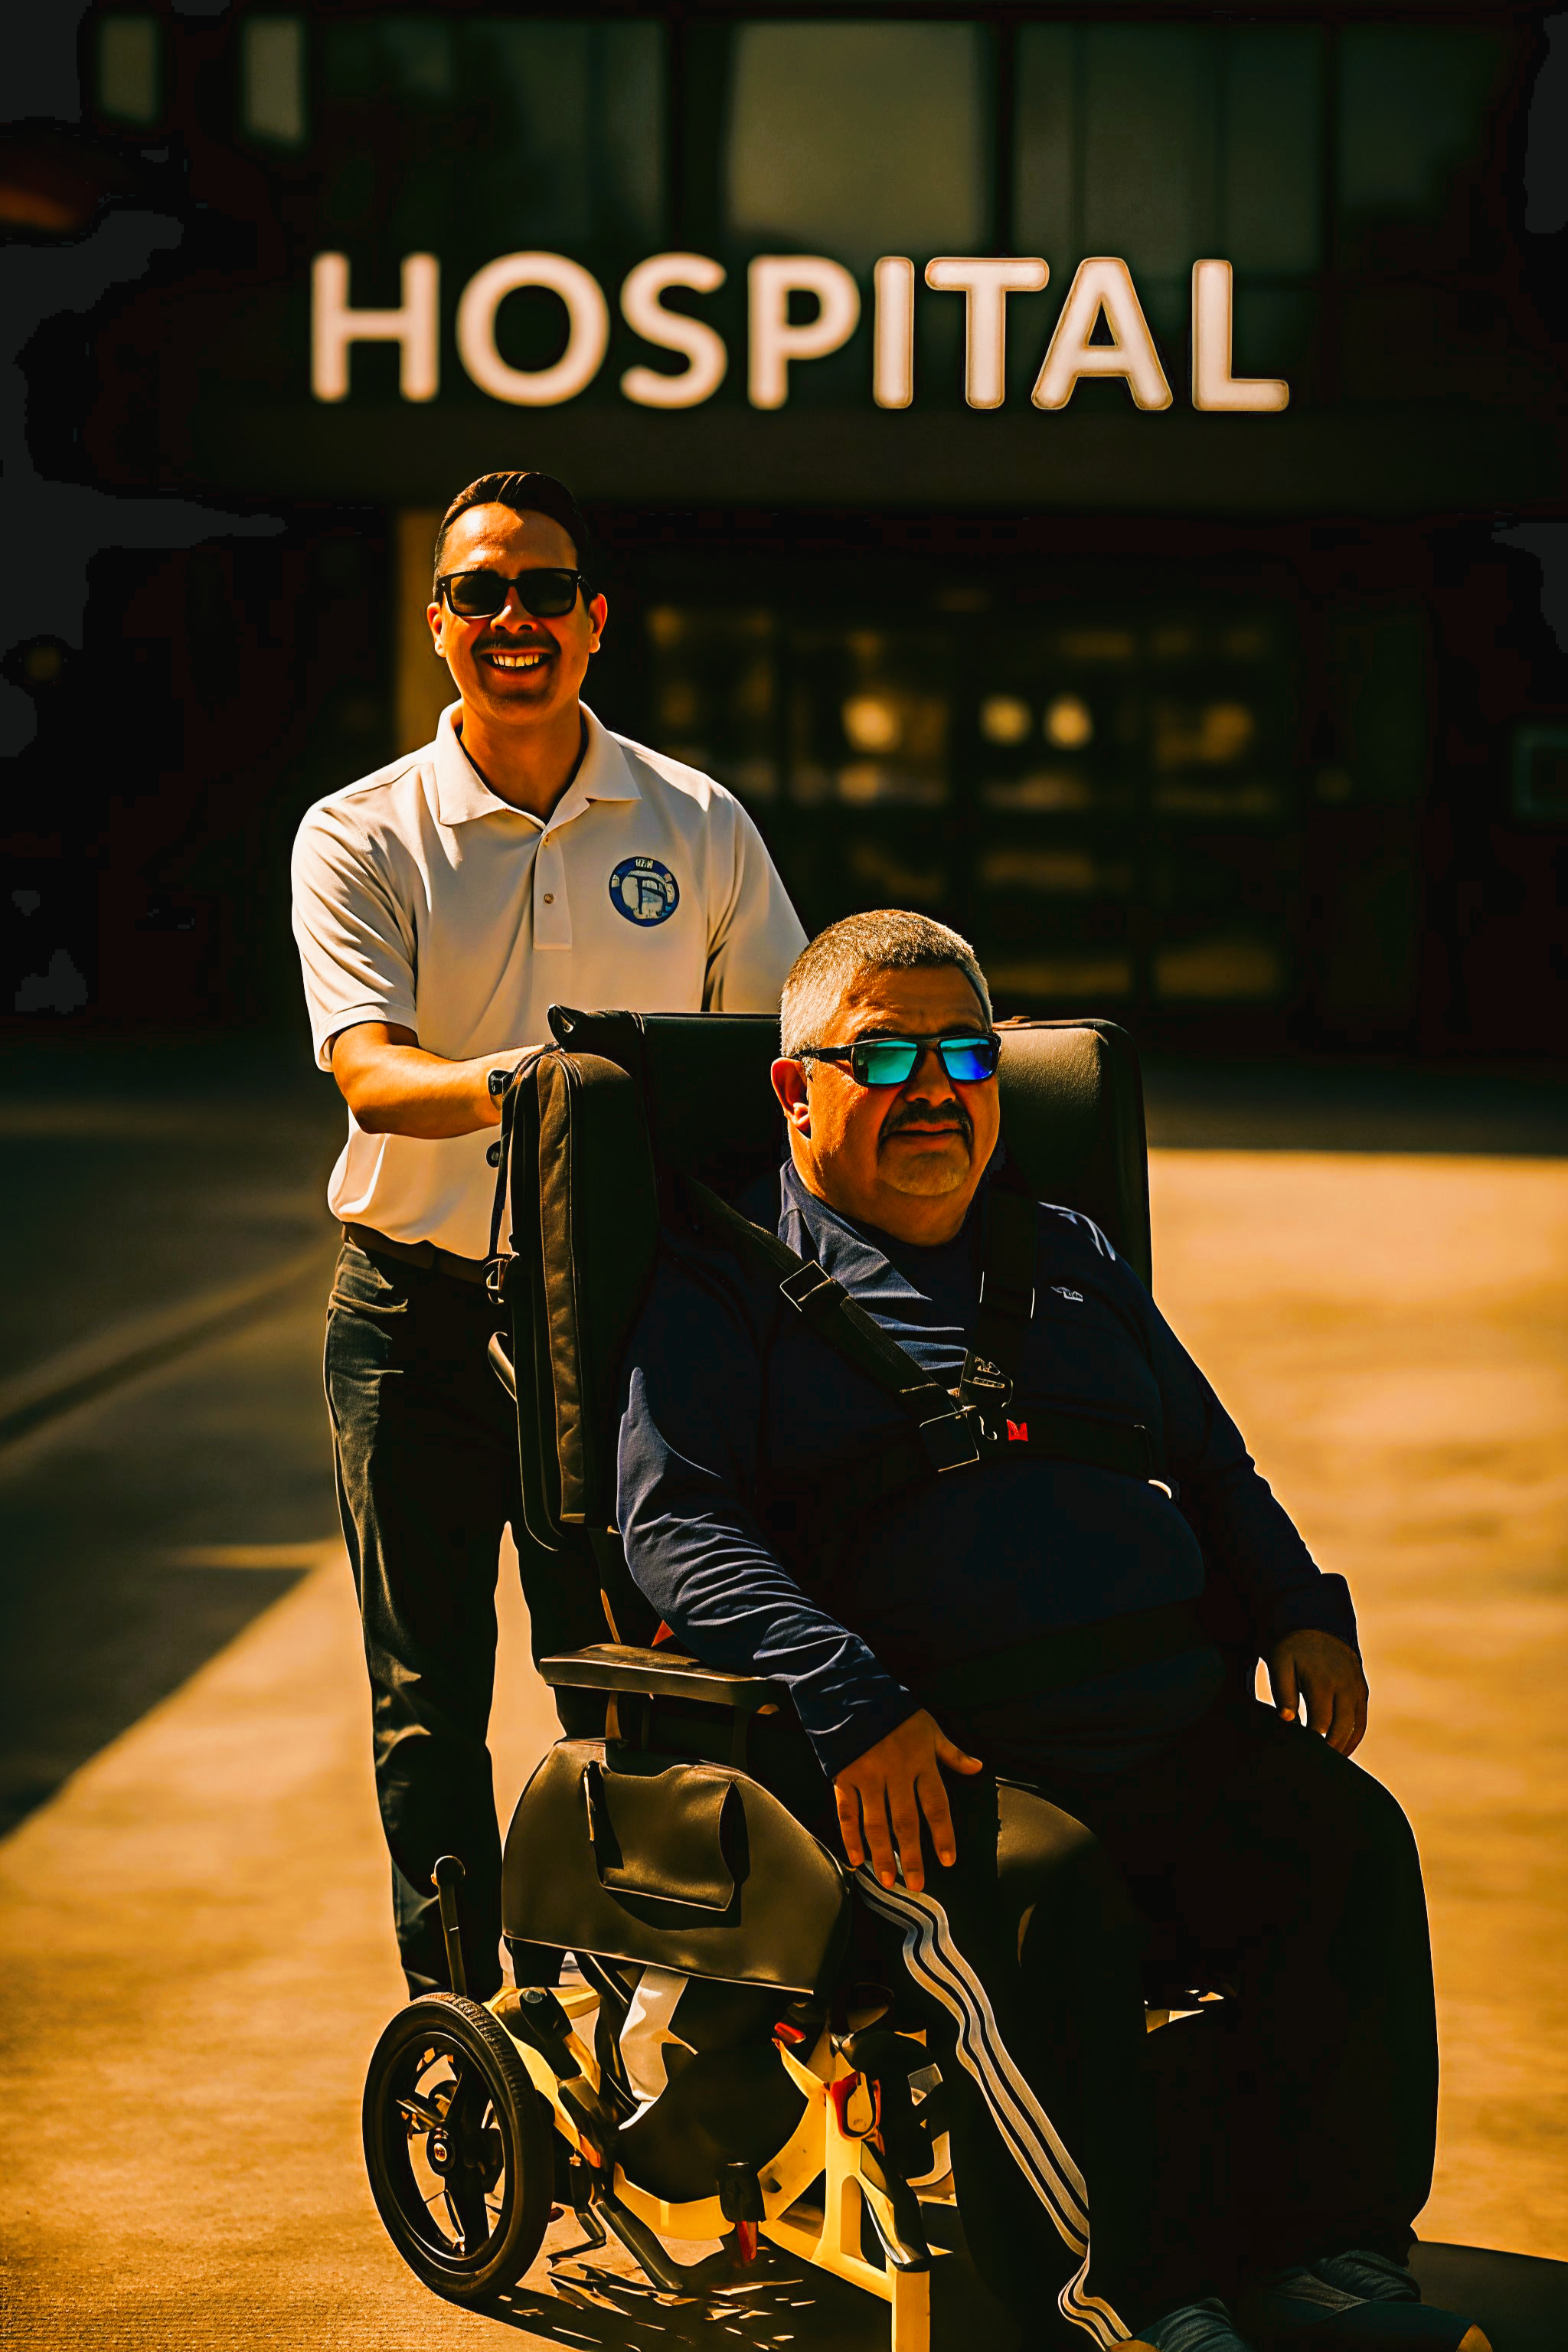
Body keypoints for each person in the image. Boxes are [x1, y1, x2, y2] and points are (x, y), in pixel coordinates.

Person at [615, 910, 1487, 2352]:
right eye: (881, 1056)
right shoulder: (722, 1281)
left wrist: (1295, 1605)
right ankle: (1124, 2304)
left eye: (966, 1053)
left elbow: (1210, 1464)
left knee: (1344, 1843)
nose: (934, 1089)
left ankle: (1328, 2260)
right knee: (1051, 1898)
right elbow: (674, 1523)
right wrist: (855, 1700)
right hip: (935, 1759)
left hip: (1155, 1714)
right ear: (795, 1090)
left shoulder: (1068, 1250)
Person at [290, 469, 805, 2001]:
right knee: (427, 1699)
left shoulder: (694, 821)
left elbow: (770, 1061)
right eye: (479, 594)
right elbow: (373, 1079)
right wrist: (554, 1091)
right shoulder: (363, 832)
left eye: (543, 592)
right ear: (439, 622)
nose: (513, 620)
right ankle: (464, 2018)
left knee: (640, 1686)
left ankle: (651, 2010)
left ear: (595, 621)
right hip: (415, 1318)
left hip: (629, 1323)